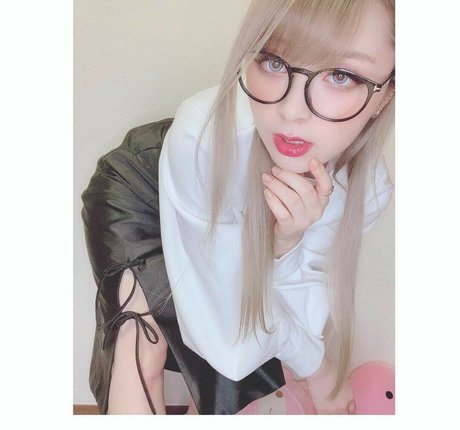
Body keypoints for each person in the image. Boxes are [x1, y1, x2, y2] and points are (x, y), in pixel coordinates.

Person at [82, 0, 395, 415]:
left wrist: (285, 242)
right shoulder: (201, 133)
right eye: (274, 61)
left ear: (386, 93)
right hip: (151, 186)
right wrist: (319, 369)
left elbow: (286, 311)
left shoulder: (368, 191)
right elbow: (225, 336)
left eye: (341, 75)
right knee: (140, 346)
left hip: (215, 207)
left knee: (233, 377)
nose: (291, 111)